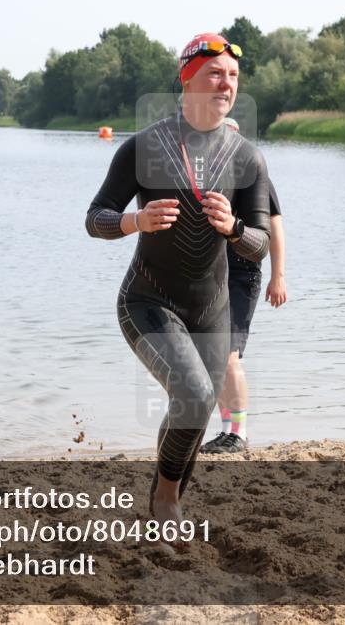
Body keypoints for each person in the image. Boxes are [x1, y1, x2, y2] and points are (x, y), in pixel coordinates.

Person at [85, 33, 271, 534]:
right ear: (188, 80)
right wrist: (135, 221)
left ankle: (167, 497)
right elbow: (95, 218)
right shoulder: (144, 147)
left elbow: (259, 245)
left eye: (233, 76)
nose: (225, 84)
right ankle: (166, 500)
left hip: (210, 307)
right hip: (147, 299)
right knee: (190, 392)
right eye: (215, 73)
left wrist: (233, 227)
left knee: (199, 405)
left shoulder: (247, 157)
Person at [201, 189, 286, 454]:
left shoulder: (252, 169)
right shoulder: (206, 170)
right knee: (214, 359)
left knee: (229, 355)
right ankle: (228, 431)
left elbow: (274, 224)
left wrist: (278, 276)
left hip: (241, 274)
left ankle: (239, 433)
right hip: (208, 274)